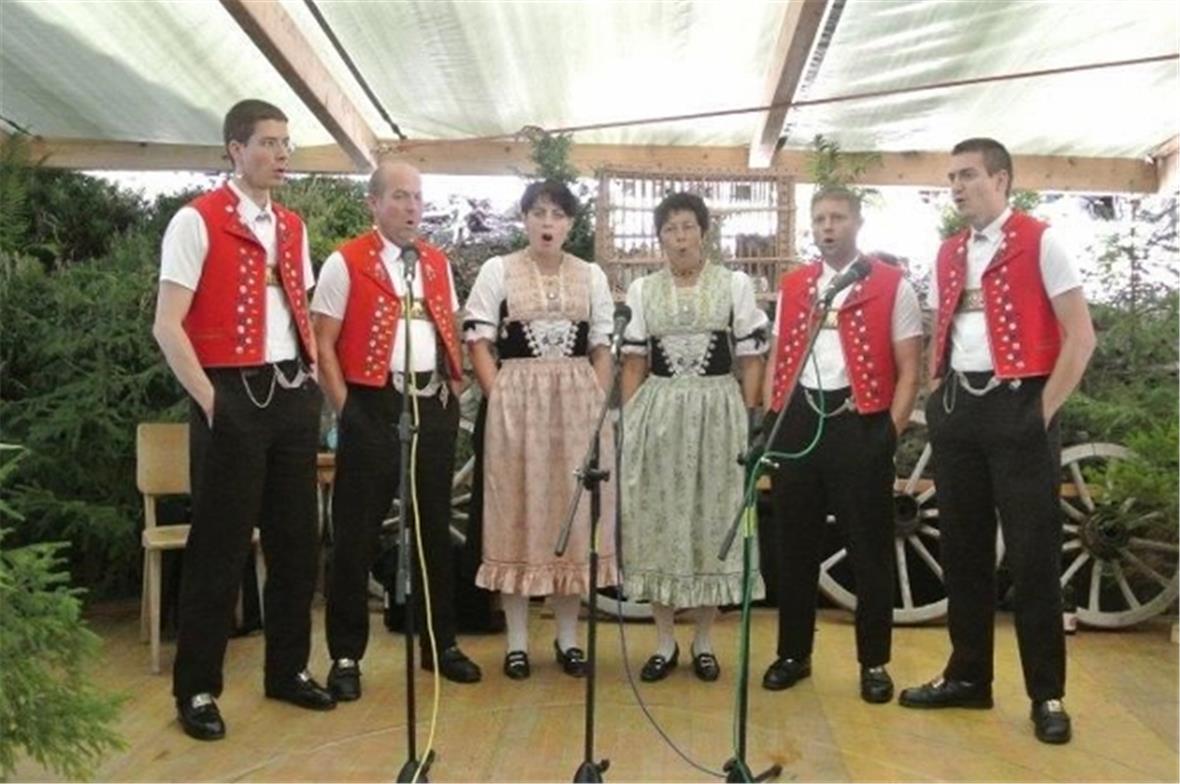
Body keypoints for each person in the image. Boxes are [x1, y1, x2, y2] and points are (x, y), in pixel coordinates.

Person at [899, 138, 1095, 744]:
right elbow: (944, 329)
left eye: (968, 175)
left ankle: (1047, 694)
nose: (956, 187)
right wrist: (937, 394)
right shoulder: (949, 252)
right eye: (951, 177)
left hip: (1020, 407)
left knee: (1034, 557)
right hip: (959, 407)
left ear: (1002, 179)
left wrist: (1038, 414)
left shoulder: (1042, 241)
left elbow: (1080, 338)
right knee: (964, 552)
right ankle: (969, 678)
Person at [152, 99, 334, 741]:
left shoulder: (292, 226)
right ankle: (196, 687)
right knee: (218, 551)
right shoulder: (194, 222)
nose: (282, 154)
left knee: (296, 545)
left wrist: (311, 383)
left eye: (287, 143)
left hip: (290, 394)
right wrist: (210, 401)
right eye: (269, 143)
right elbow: (166, 326)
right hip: (229, 397)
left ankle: (287, 672)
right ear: (235, 149)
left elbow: (299, 312)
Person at [311, 160, 481, 700]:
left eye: (418, 198)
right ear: (375, 203)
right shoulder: (346, 262)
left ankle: (440, 643)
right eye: (401, 197)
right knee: (356, 534)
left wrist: (452, 389)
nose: (412, 208)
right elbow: (322, 343)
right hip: (372, 403)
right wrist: (347, 411)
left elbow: (447, 325)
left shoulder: (435, 262)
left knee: (434, 527)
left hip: (431, 400)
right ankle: (344, 655)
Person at [761, 186, 922, 703]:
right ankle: (793, 654)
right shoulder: (795, 285)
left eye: (837, 217)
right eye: (819, 218)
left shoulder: (893, 285)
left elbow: (910, 370)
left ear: (857, 223)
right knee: (794, 546)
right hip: (800, 419)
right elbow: (776, 358)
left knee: (869, 550)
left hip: (860, 423)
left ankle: (873, 662)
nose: (827, 226)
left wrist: (887, 434)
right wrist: (772, 420)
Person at [463, 179, 617, 680]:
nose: (547, 223)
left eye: (557, 214)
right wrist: (500, 395)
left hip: (575, 406)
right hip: (517, 406)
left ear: (570, 224)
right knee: (516, 513)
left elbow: (601, 347)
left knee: (570, 517)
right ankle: (517, 643)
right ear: (524, 219)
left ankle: (568, 640)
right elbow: (478, 340)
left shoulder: (589, 274)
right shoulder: (498, 270)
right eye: (538, 213)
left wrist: (592, 404)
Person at [618, 192, 768, 682]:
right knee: (657, 519)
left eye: (687, 227)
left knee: (710, 517)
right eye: (670, 229)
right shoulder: (643, 290)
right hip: (659, 412)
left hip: (718, 411)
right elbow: (636, 359)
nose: (679, 238)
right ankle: (664, 642)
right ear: (659, 237)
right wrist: (629, 419)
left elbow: (749, 356)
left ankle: (703, 641)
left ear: (703, 232)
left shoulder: (734, 284)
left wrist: (751, 416)